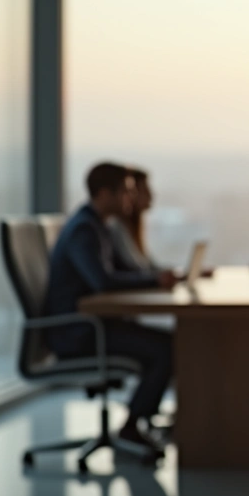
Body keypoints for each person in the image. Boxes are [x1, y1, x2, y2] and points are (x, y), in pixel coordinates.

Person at [43, 162, 179, 456]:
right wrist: (154, 280)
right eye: (126, 193)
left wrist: (155, 278)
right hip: (79, 332)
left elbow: (123, 272)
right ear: (105, 194)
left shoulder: (97, 226)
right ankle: (132, 426)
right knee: (168, 348)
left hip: (94, 325)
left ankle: (140, 419)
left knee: (167, 344)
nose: (130, 200)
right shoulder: (84, 230)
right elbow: (103, 281)